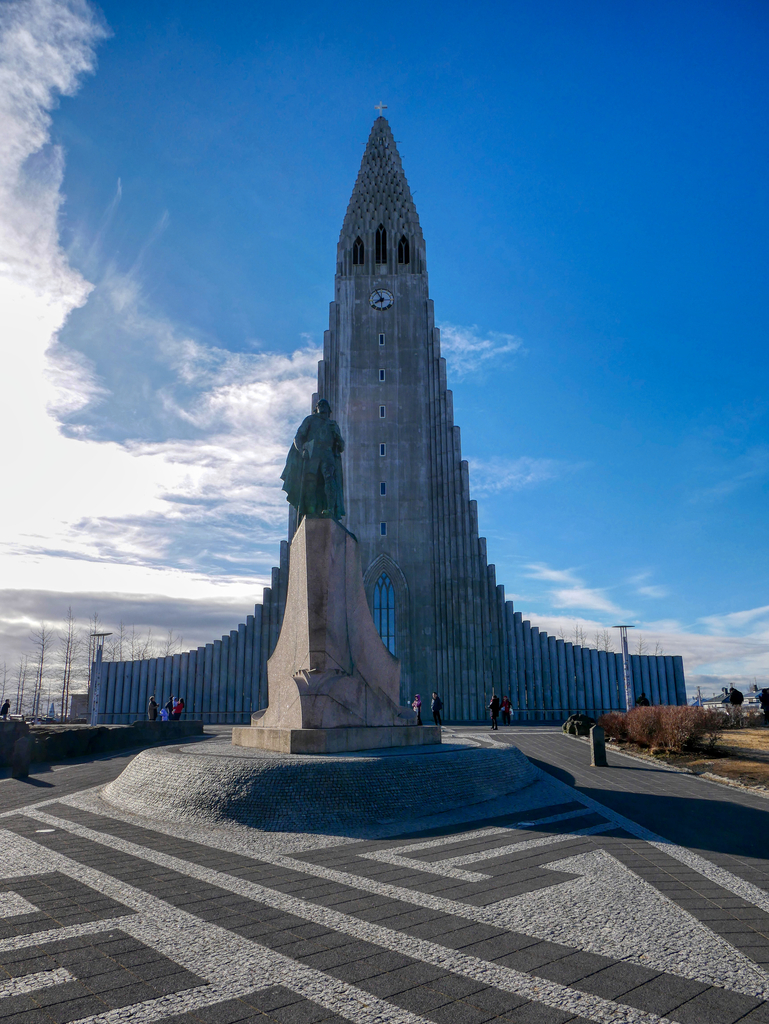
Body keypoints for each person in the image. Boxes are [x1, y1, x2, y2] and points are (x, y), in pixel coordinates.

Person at [281, 399, 345, 521]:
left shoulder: (333, 425)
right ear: (316, 408)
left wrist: (336, 434)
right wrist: (302, 451)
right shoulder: (310, 420)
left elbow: (341, 446)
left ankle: (330, 509)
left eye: (324, 404)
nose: (321, 406)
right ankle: (311, 510)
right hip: (313, 454)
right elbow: (298, 437)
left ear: (329, 409)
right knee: (310, 482)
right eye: (319, 404)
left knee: (329, 479)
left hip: (327, 454)